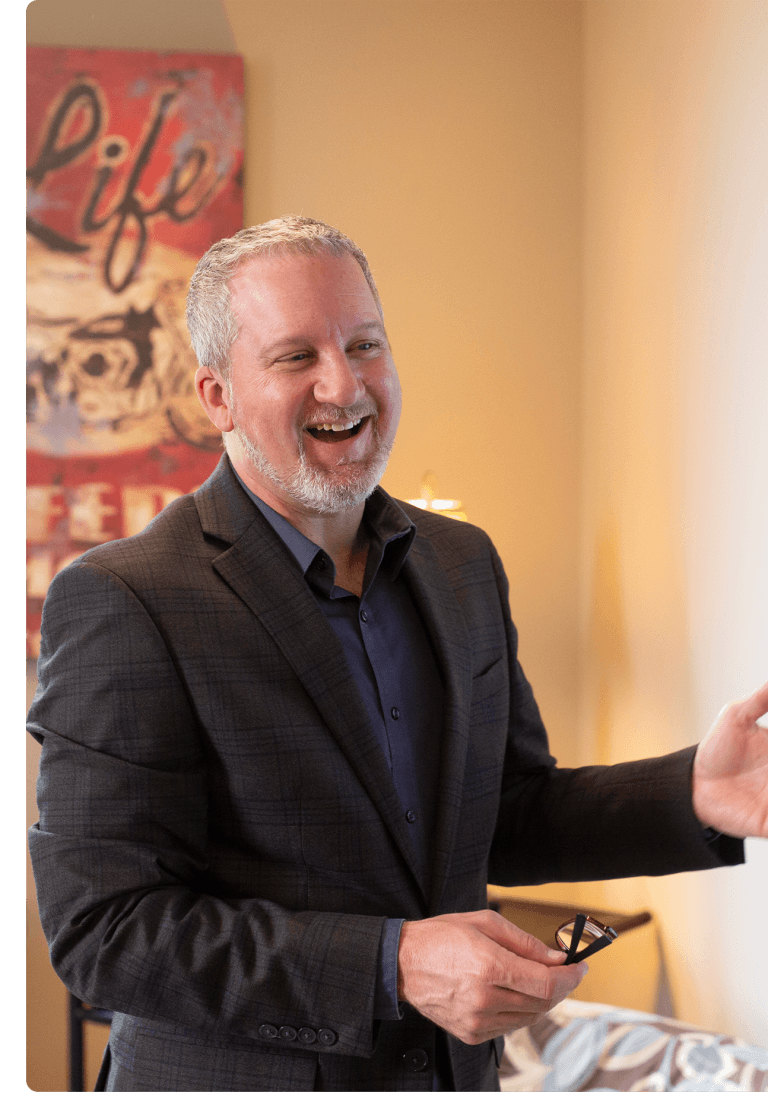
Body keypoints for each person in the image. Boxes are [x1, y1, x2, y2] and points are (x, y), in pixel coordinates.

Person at [28, 216, 767, 1093]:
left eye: (364, 344)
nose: (345, 384)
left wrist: (696, 795)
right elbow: (105, 933)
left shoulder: (464, 565)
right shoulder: (125, 597)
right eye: (295, 357)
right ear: (218, 395)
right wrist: (393, 962)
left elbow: (506, 812)